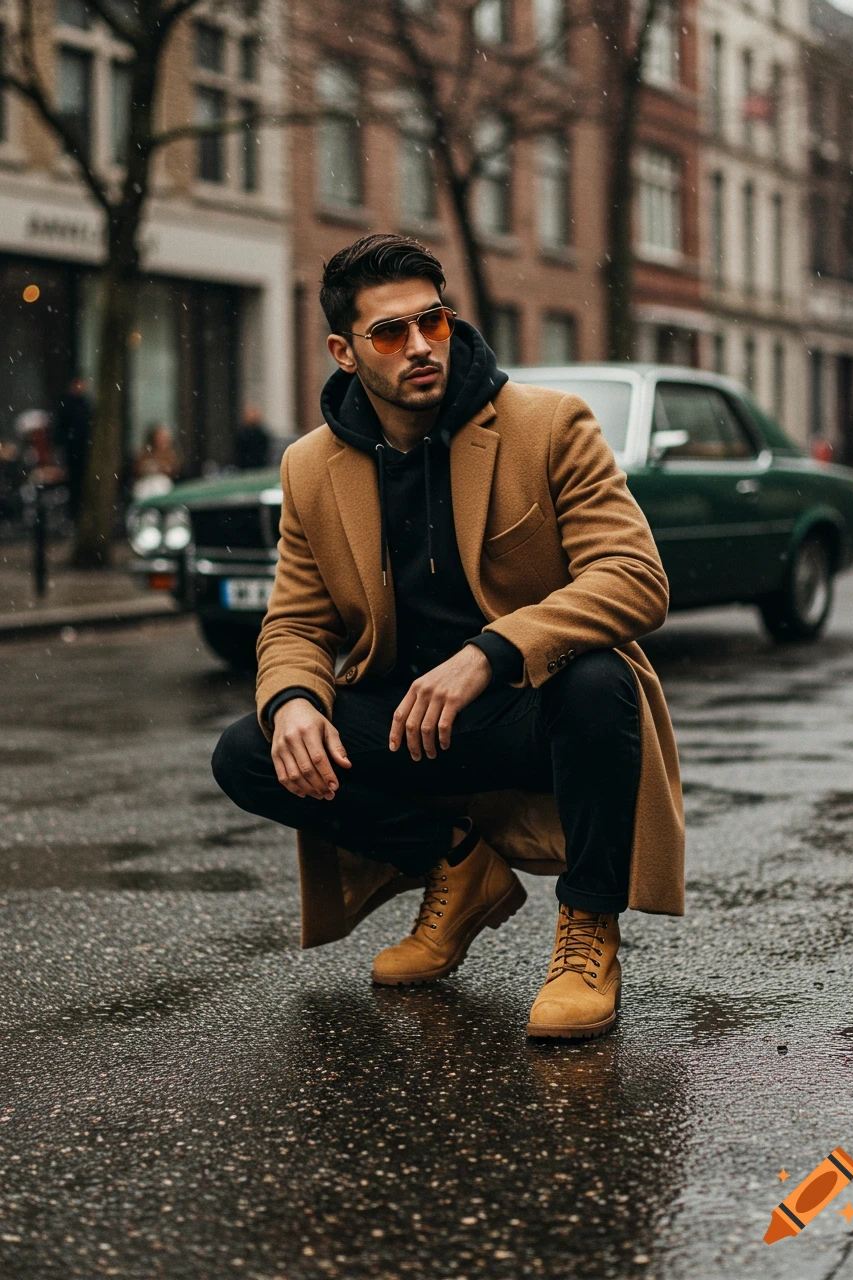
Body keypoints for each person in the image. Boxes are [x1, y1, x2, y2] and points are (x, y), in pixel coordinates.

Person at [212, 233, 684, 1040]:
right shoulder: (310, 468)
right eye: (391, 333)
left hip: (529, 711)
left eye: (432, 321)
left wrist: (491, 652)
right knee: (251, 750)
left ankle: (588, 934)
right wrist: (292, 699)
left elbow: (635, 578)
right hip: (410, 724)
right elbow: (295, 621)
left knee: (602, 680)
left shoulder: (547, 425)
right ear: (345, 351)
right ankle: (455, 867)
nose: (421, 346)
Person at [55, 376, 92, 521]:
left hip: (82, 451)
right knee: (74, 484)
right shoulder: (68, 404)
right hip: (73, 451)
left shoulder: (84, 403)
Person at [132, 424, 181, 500]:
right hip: (145, 485)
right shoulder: (145, 453)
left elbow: (172, 470)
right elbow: (137, 469)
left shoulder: (170, 454)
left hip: (163, 484)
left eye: (164, 439)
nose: (162, 441)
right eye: (160, 438)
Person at [234, 404, 272, 470]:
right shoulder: (242, 434)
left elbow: (264, 451)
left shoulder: (262, 434)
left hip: (259, 466)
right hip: (245, 467)